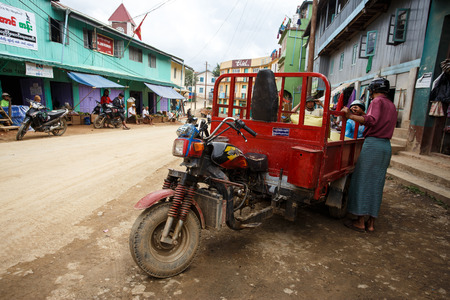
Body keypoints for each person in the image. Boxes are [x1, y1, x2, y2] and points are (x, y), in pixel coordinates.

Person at [341, 78, 397, 233]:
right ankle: (371, 223)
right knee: (377, 183)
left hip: (373, 145)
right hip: (385, 146)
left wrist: (350, 116)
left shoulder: (377, 102)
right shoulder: (391, 104)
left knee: (363, 181)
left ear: (372, 89)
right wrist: (363, 113)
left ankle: (360, 222)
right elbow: (379, 121)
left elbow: (371, 121)